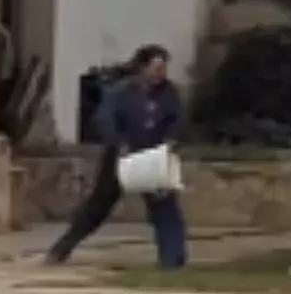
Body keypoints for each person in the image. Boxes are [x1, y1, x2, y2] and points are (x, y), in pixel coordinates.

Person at [45, 44, 188, 268]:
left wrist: (170, 142)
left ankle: (172, 259)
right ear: (143, 67)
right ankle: (61, 249)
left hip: (154, 159)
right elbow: (105, 119)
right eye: (156, 67)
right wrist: (119, 143)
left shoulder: (169, 94)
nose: (161, 73)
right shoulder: (122, 92)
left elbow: (176, 120)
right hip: (122, 158)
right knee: (98, 207)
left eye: (163, 68)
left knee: (164, 207)